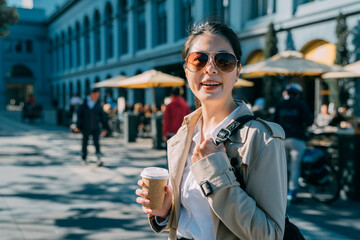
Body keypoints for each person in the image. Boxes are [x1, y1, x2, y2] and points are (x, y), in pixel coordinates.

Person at [136, 21, 287, 239]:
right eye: (199, 60)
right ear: (186, 71)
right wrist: (166, 212)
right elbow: (195, 221)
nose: (210, 68)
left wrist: (216, 175)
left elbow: (271, 235)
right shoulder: (184, 135)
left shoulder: (261, 139)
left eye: (224, 61)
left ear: (237, 72)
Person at [274, 83, 313, 204]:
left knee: (283, 167)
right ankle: (292, 193)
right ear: (297, 93)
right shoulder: (300, 104)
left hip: (282, 138)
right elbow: (309, 121)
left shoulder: (280, 104)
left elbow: (274, 121)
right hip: (297, 138)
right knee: (296, 168)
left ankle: (281, 193)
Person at [74, 88, 108, 166]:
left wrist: (104, 128)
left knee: (96, 143)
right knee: (85, 143)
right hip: (85, 127)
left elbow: (102, 117)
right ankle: (84, 158)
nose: (97, 97)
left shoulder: (98, 104)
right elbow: (79, 116)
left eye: (98, 95)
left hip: (96, 127)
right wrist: (77, 126)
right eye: (96, 95)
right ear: (92, 94)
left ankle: (99, 158)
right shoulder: (84, 103)